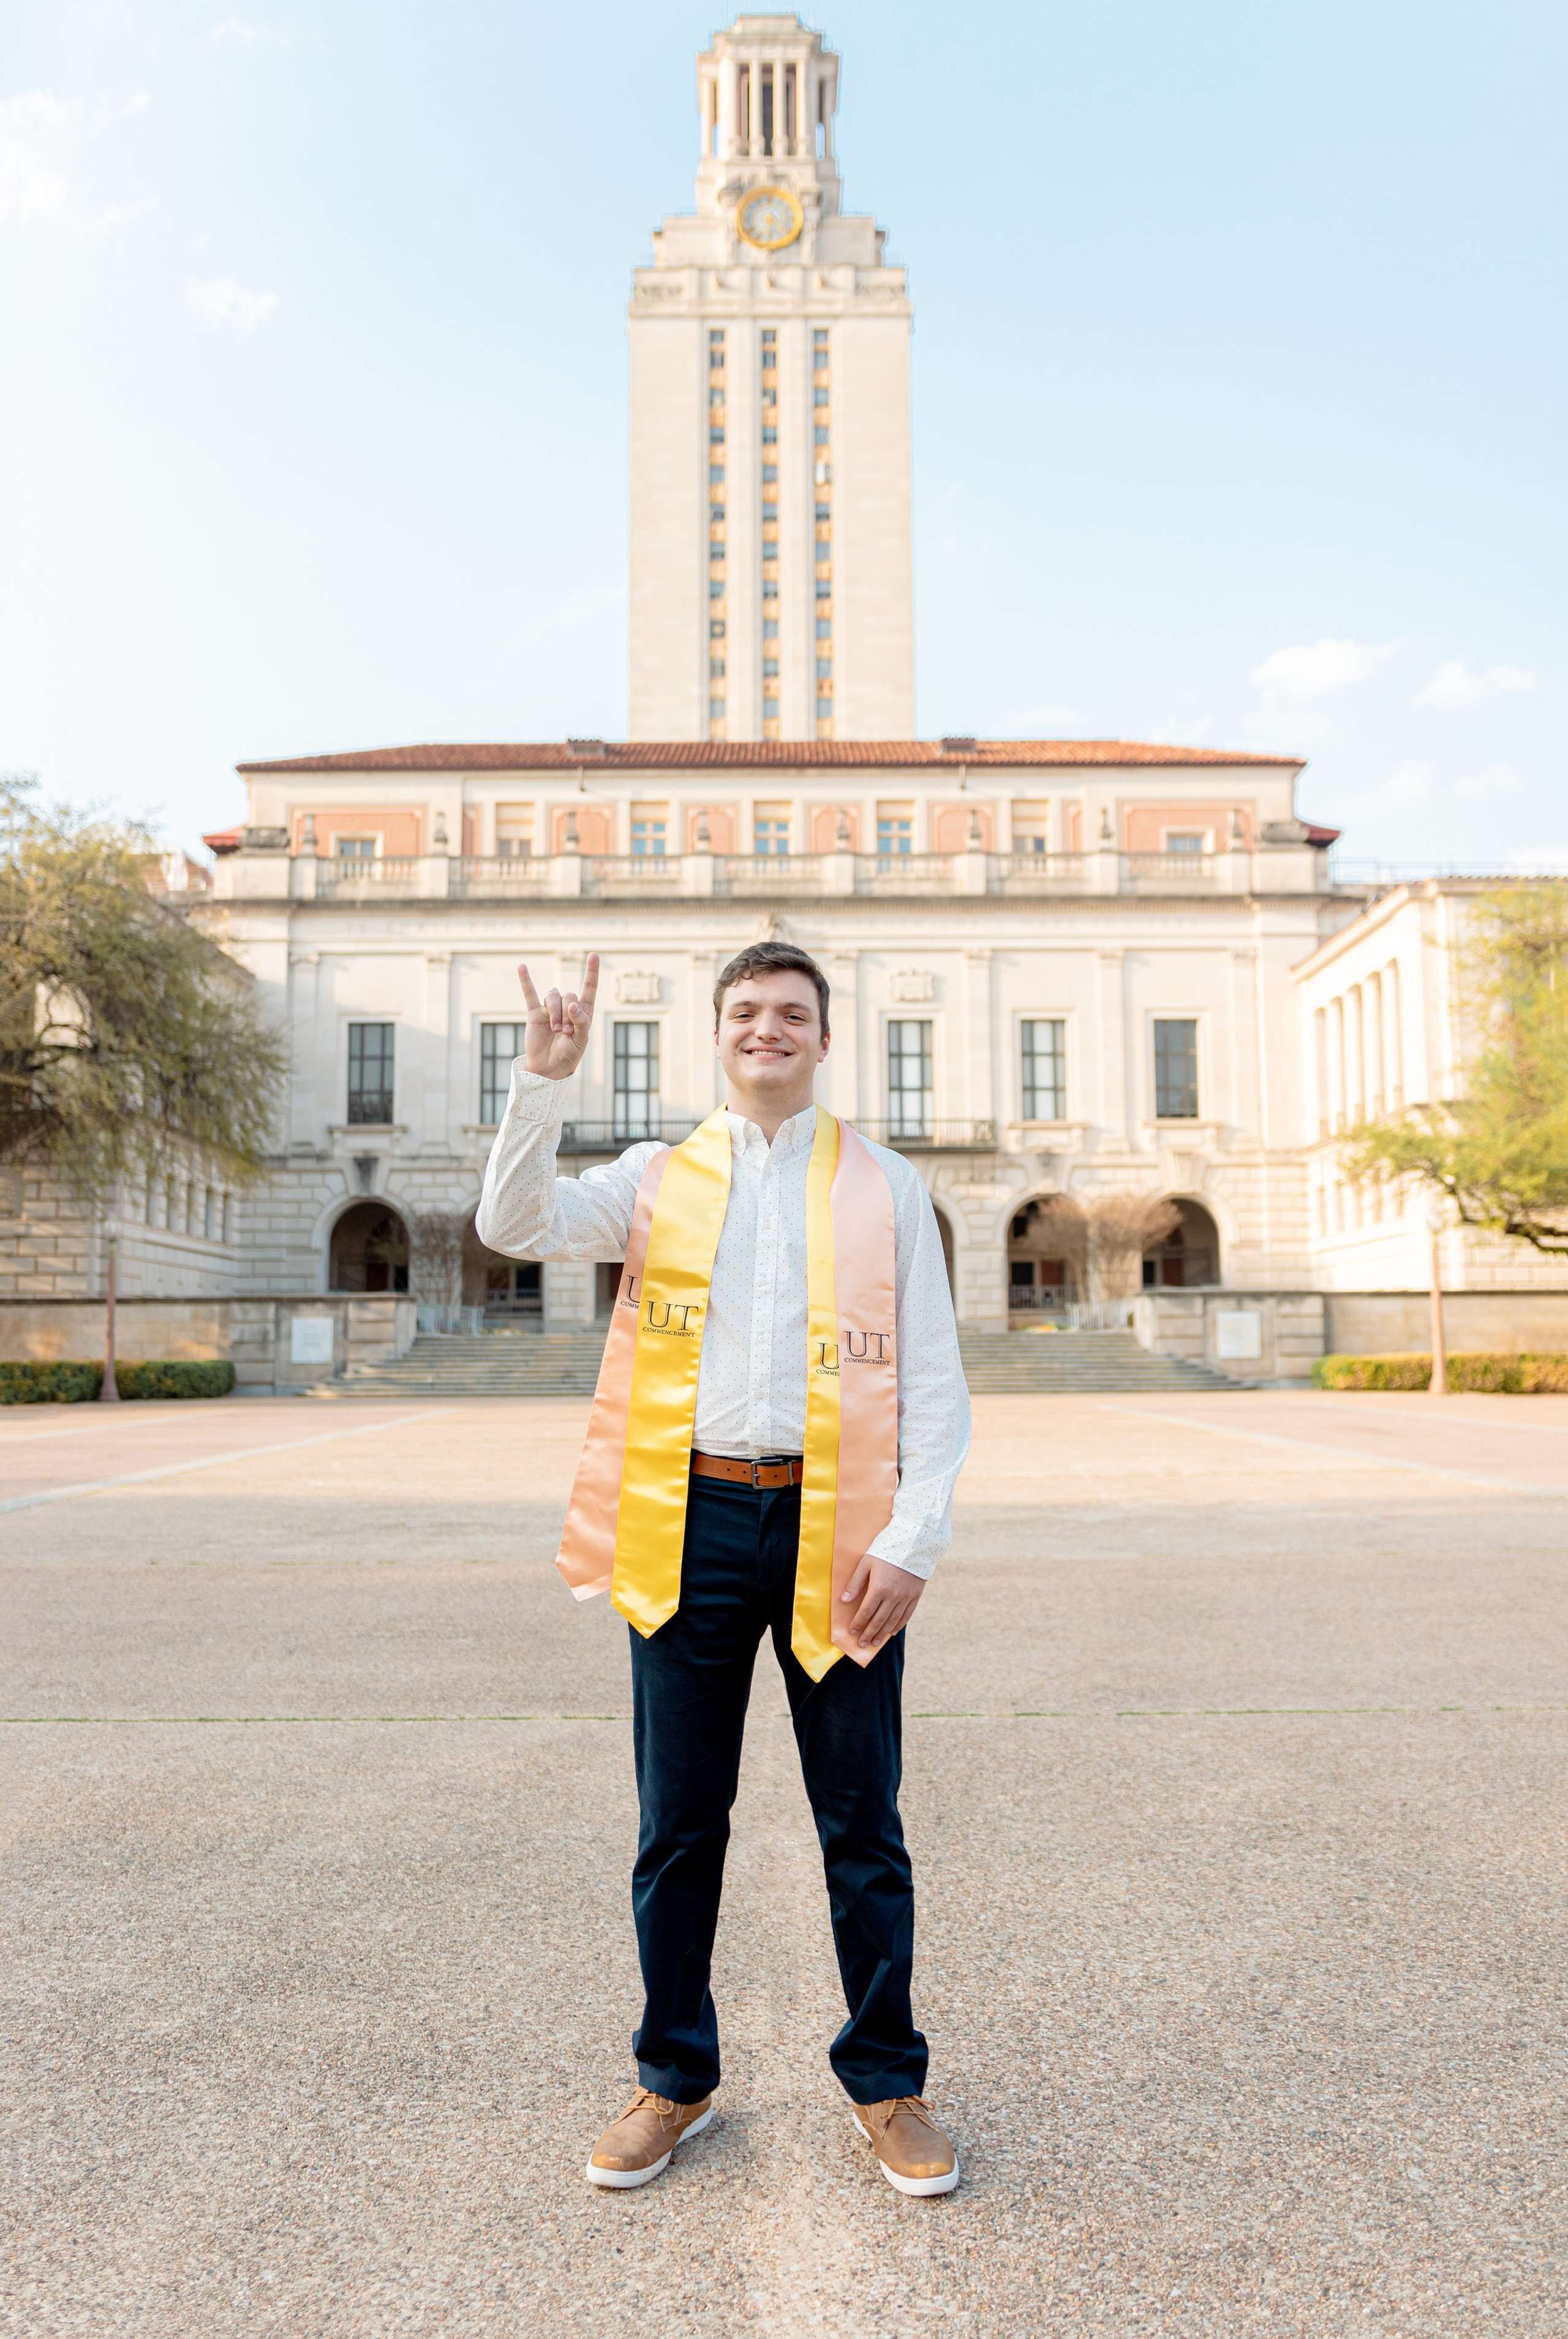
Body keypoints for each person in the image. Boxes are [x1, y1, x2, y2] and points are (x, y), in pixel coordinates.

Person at [476, 940, 971, 2195]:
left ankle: (886, 2079)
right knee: (676, 1822)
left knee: (861, 1819)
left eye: (790, 1013)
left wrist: (913, 1538)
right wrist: (541, 1081)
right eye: (745, 1011)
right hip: (684, 1518)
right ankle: (673, 2075)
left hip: (839, 1524)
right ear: (717, 1033)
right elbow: (513, 1223)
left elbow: (932, 1377)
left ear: (821, 1037)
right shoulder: (654, 1178)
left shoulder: (885, 1185)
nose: (767, 1029)